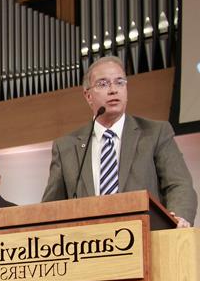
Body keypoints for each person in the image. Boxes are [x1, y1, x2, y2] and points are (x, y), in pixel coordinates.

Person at [42, 55, 197, 227]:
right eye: (103, 84)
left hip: (147, 240)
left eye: (119, 82)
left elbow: (179, 185)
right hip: (89, 245)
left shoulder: (155, 133)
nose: (113, 90)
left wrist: (180, 219)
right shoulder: (66, 147)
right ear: (88, 96)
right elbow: (50, 208)